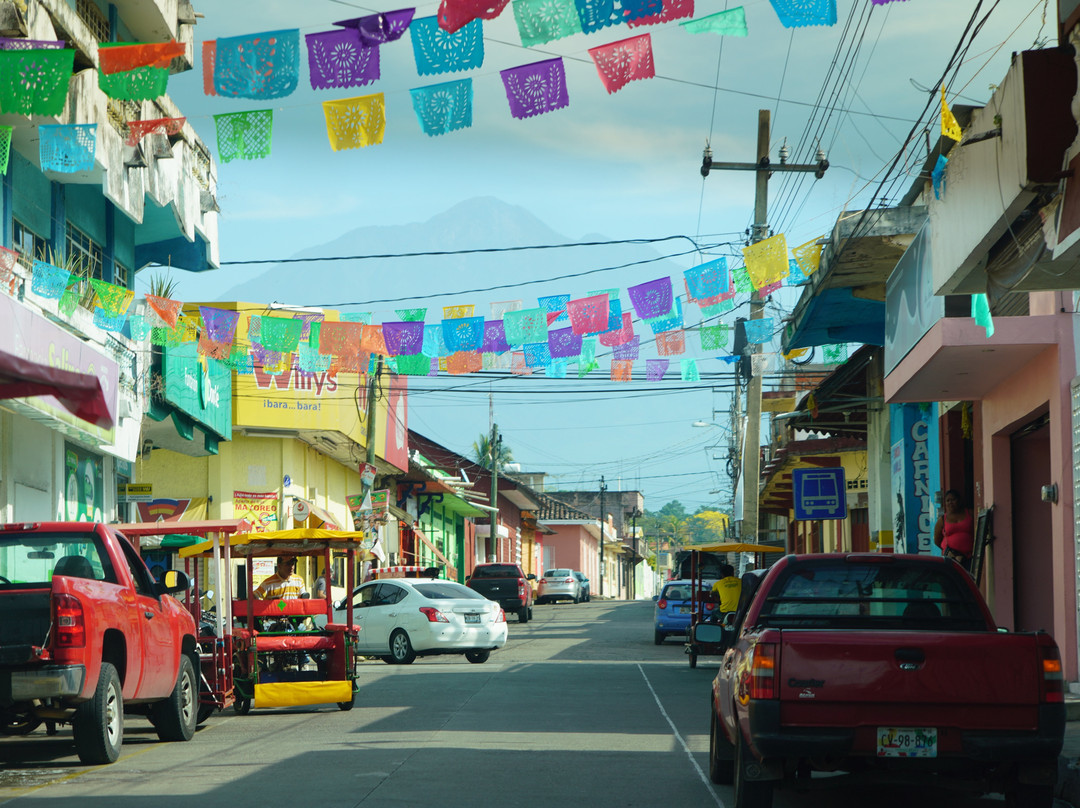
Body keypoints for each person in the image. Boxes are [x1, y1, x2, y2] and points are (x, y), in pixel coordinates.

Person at [934, 489, 974, 571]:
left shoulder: (970, 513)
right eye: (948, 501)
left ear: (959, 501)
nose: (950, 502)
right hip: (951, 559)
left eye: (953, 500)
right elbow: (937, 540)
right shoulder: (942, 520)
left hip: (969, 557)